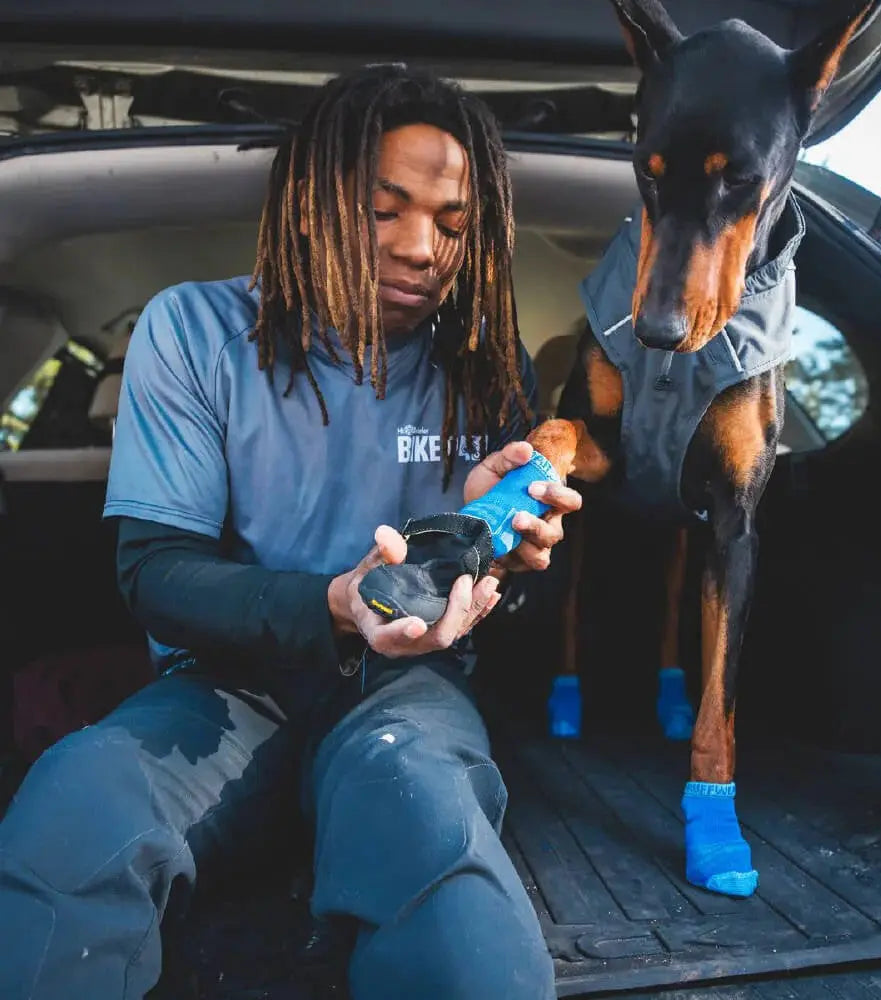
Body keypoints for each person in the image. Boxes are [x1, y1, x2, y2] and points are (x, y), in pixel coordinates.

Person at [0, 65, 581, 1000]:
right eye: (384, 210)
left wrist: (506, 554)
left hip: (405, 696)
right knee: (76, 805)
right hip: (220, 691)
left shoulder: (488, 363)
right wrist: (337, 604)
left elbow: (499, 603)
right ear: (312, 204)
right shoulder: (192, 331)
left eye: (453, 222)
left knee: (438, 842)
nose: (422, 247)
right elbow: (155, 572)